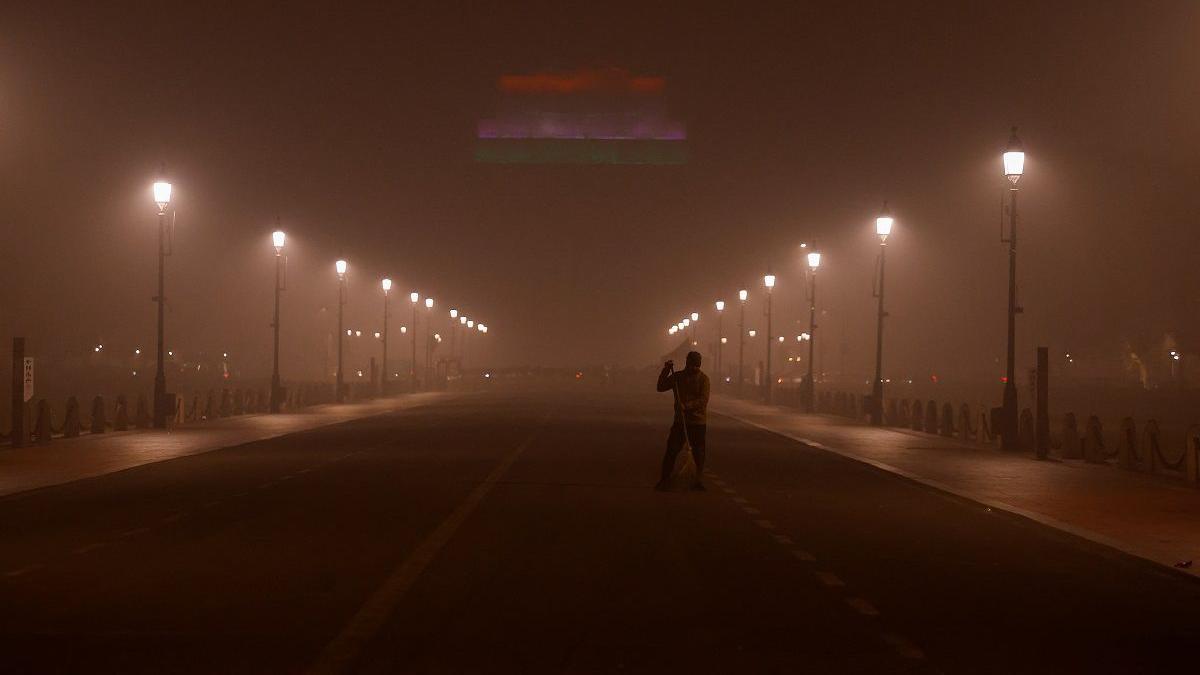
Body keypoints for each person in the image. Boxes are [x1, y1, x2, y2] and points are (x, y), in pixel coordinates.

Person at [655, 351, 710, 491]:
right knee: (672, 450)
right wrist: (666, 370)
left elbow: (703, 400)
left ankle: (698, 479)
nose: (694, 369)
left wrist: (687, 406)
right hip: (680, 422)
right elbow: (660, 387)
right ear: (687, 363)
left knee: (698, 453)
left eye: (696, 366)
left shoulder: (704, 379)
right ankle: (665, 479)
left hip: (697, 422)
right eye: (692, 365)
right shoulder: (678, 377)